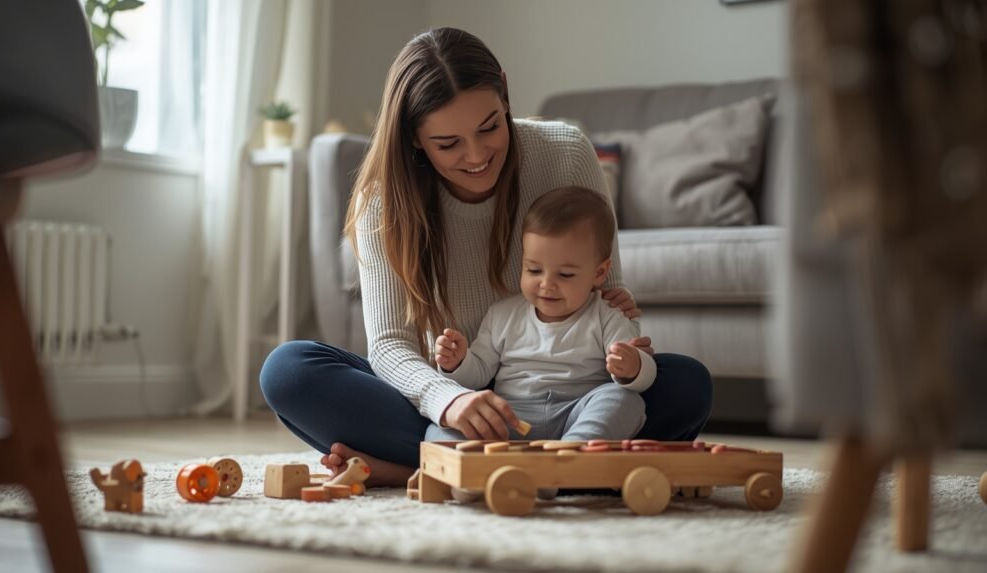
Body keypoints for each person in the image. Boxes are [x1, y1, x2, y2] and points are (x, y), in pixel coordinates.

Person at [259, 27, 712, 487]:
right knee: (290, 372)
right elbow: (390, 347)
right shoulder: (382, 202)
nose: (477, 156)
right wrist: (450, 399)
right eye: (448, 144)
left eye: (490, 127)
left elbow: (606, 290)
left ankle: (433, 470)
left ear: (505, 91)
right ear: (415, 138)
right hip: (456, 394)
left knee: (686, 384)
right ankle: (556, 471)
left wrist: (625, 350)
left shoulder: (565, 154)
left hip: (571, 401)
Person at [428, 186, 656, 444]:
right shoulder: (502, 315)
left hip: (577, 411)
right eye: (534, 270)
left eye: (565, 275)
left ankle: (569, 456)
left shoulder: (608, 313)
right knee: (438, 430)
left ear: (599, 273)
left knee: (625, 400)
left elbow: (641, 378)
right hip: (511, 416)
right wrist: (456, 362)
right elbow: (478, 374)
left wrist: (633, 367)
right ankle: (488, 472)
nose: (547, 284)